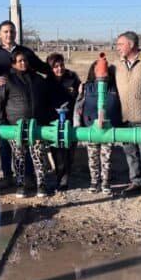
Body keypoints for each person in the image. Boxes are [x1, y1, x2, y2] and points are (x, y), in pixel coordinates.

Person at [0, 20, 50, 184]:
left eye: (11, 31)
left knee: (26, 141)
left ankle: (28, 176)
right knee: (6, 141)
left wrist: (63, 75)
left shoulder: (25, 52)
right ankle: (7, 176)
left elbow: (43, 68)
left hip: (24, 103)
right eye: (5, 31)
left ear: (15, 33)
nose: (9, 34)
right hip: (5, 104)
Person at [0, 50, 53, 198]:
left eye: (25, 60)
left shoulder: (38, 79)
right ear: (13, 63)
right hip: (15, 128)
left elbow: (47, 101)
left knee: (38, 156)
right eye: (19, 61)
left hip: (36, 128)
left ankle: (41, 185)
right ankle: (20, 185)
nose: (23, 63)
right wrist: (3, 125)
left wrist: (46, 122)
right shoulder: (7, 80)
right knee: (19, 157)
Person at [115, 31, 141, 201]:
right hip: (124, 117)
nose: (118, 48)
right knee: (130, 151)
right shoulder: (116, 64)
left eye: (120, 45)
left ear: (131, 45)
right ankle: (136, 181)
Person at [78, 60, 123, 194]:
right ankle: (94, 181)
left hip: (108, 130)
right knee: (92, 157)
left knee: (106, 158)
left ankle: (106, 182)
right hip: (91, 129)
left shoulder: (114, 87)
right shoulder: (86, 87)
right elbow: (78, 106)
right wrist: (78, 125)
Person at [46, 52, 81, 190]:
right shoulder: (47, 82)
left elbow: (80, 96)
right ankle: (61, 177)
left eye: (61, 65)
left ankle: (66, 176)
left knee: (69, 151)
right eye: (55, 66)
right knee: (56, 151)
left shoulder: (72, 78)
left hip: (71, 121)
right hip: (53, 123)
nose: (59, 68)